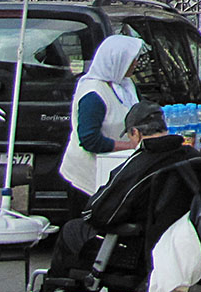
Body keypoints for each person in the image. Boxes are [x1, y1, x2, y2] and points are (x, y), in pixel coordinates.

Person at [16, 100, 201, 292]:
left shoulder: (141, 164)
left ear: (135, 132)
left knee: (73, 230)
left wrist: (90, 212)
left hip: (134, 251)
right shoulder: (193, 156)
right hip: (174, 241)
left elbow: (101, 212)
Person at [59, 35, 144, 217]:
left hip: (112, 169)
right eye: (132, 59)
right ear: (117, 60)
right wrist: (130, 146)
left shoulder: (125, 85)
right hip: (87, 175)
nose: (136, 63)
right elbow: (90, 140)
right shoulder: (93, 94)